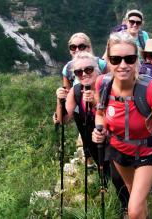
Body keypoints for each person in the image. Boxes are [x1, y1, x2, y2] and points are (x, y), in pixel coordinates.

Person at [92, 32, 152, 219]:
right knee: (135, 201)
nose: (123, 65)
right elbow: (99, 114)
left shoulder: (151, 90)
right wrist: (98, 129)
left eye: (129, 59)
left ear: (136, 60)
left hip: (146, 153)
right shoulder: (102, 84)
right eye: (116, 59)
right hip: (118, 151)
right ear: (109, 60)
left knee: (133, 210)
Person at [55, 51, 130, 215]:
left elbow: (119, 114)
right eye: (78, 72)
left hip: (114, 139)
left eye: (88, 70)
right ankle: (126, 203)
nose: (83, 74)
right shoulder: (76, 91)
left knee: (118, 175)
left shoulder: (111, 85)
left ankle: (129, 208)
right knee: (109, 174)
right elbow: (64, 119)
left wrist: (96, 102)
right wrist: (59, 101)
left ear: (97, 69)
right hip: (93, 143)